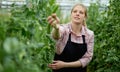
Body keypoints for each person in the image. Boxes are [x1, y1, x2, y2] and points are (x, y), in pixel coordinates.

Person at [47, 3, 94, 72]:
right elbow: (56, 36)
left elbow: (87, 58)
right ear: (71, 14)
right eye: (75, 11)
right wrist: (56, 29)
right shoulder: (64, 29)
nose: (77, 14)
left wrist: (65, 64)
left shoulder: (89, 34)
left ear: (85, 17)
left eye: (81, 12)